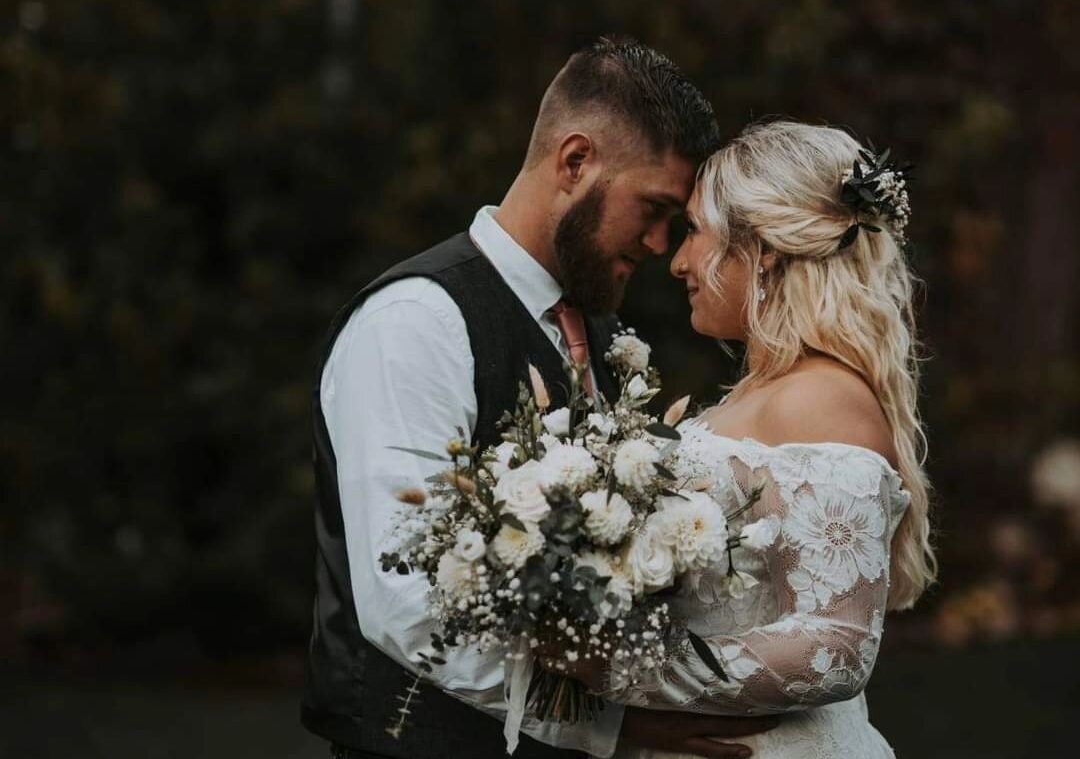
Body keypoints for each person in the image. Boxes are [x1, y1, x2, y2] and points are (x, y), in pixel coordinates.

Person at [301, 38, 779, 759]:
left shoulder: (605, 336)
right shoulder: (416, 324)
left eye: (674, 222)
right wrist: (609, 726)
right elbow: (407, 602)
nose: (658, 244)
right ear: (575, 161)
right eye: (652, 208)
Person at [594, 119, 936, 759]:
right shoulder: (769, 392)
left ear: (766, 247)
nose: (678, 262)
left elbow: (835, 645)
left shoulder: (822, 398)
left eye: (694, 231)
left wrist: (618, 673)